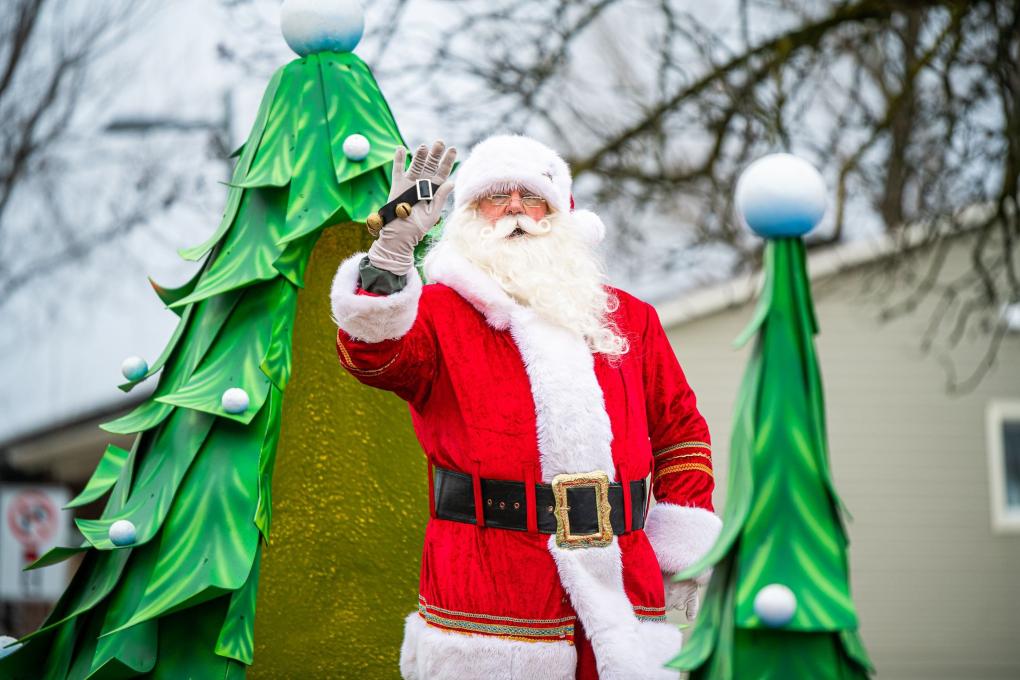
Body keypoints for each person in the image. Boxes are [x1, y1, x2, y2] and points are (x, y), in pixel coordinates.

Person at [330, 136, 720, 680]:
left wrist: (677, 546)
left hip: (623, 590)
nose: (515, 208)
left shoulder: (630, 319)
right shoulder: (438, 314)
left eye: (530, 196)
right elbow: (373, 355)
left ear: (560, 212)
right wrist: (389, 257)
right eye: (495, 196)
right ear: (467, 216)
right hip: (490, 591)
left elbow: (681, 433)